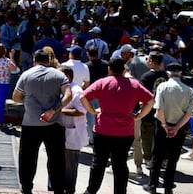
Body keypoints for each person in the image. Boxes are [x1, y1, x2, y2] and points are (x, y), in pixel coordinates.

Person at [80, 57, 155, 194]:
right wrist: (139, 115)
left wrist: (92, 111)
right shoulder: (134, 85)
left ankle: (91, 191)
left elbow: (83, 97)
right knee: (120, 164)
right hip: (125, 132)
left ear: (109, 69)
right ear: (124, 70)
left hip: (103, 129)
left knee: (98, 163)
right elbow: (150, 101)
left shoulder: (102, 82)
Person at [12, 49, 72, 194]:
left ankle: (26, 188)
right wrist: (53, 110)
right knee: (56, 159)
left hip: (30, 124)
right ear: (49, 60)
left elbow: (16, 97)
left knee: (27, 158)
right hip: (54, 124)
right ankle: (58, 189)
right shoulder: (59, 75)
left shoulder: (26, 75)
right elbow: (68, 96)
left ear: (34, 60)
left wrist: (28, 99)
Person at [144, 62, 193, 194]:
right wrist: (177, 127)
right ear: (181, 74)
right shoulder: (189, 90)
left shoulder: (163, 86)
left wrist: (164, 125)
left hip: (162, 125)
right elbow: (189, 113)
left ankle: (152, 184)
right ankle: (168, 186)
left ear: (168, 74)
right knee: (173, 157)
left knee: (157, 156)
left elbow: (159, 108)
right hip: (180, 127)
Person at [59, 65, 88, 194]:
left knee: (70, 168)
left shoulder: (77, 91)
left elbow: (81, 111)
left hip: (72, 134)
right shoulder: (61, 88)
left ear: (67, 77)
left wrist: (59, 111)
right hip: (61, 131)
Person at [138, 51, 168, 171]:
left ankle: (148, 159)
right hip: (164, 110)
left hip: (149, 110)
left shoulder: (146, 77)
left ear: (151, 61)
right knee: (161, 136)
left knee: (147, 135)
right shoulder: (166, 76)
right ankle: (163, 159)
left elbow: (143, 95)